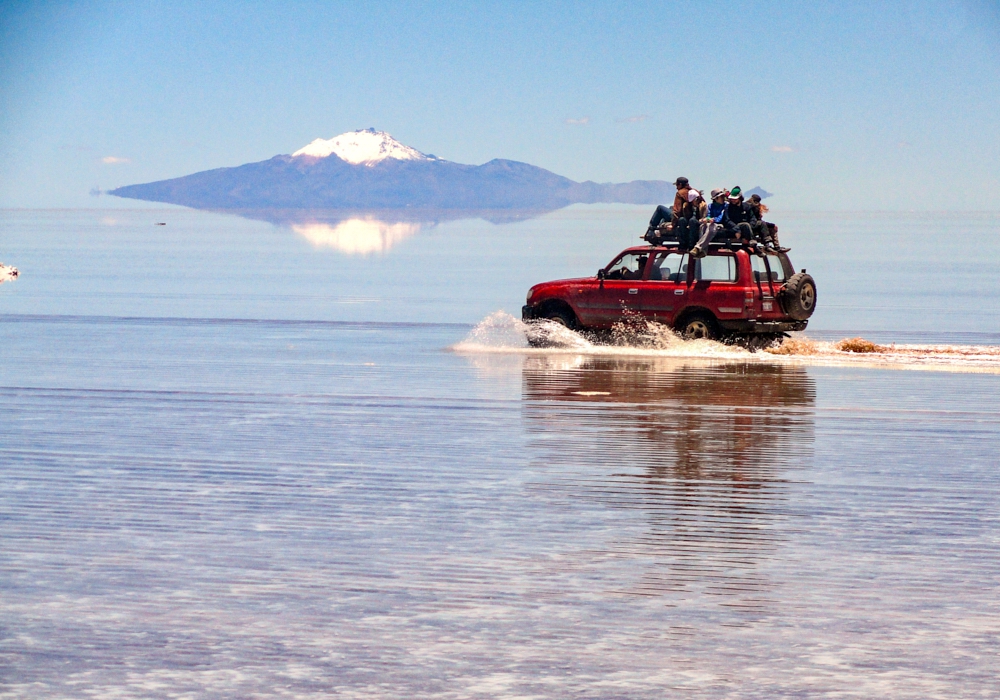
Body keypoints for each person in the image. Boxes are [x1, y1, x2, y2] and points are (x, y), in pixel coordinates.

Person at [691, 188, 729, 257]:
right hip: (710, 223)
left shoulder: (726, 206)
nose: (723, 198)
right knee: (703, 226)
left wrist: (713, 220)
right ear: (716, 199)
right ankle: (703, 251)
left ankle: (698, 247)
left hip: (721, 224)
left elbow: (721, 217)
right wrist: (706, 219)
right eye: (721, 197)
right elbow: (708, 215)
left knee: (712, 226)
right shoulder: (710, 206)